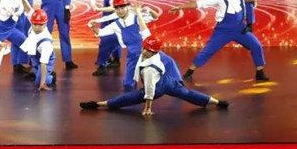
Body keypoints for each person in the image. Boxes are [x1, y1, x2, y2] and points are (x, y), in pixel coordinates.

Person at [79, 38, 228, 116]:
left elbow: (150, 90)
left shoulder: (150, 68)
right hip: (168, 81)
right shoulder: (154, 54)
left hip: (158, 86)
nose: (144, 51)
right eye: (144, 48)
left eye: (148, 50)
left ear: (155, 52)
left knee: (128, 98)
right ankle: (217, 102)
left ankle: (97, 104)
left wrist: (147, 108)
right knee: (186, 93)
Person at [170, 0, 270, 82]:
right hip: (223, 31)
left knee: (256, 46)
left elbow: (246, 0)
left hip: (240, 29)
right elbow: (197, 3)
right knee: (208, 51)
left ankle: (260, 72)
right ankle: (190, 71)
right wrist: (180, 7)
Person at [88, 0, 154, 91]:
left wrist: (148, 10)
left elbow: (155, 17)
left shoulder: (137, 17)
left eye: (122, 7)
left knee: (154, 78)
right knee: (128, 84)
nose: (120, 11)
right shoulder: (116, 24)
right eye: (117, 8)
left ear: (128, 7)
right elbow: (101, 32)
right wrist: (92, 26)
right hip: (133, 56)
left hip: (148, 52)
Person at [19, 9, 57, 90]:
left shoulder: (46, 43)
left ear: (45, 24)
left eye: (40, 25)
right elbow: (28, 9)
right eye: (35, 24)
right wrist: (22, 0)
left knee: (38, 81)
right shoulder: (33, 22)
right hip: (35, 54)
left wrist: (42, 83)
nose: (37, 27)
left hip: (46, 59)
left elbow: (43, 63)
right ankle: (35, 71)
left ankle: (51, 77)